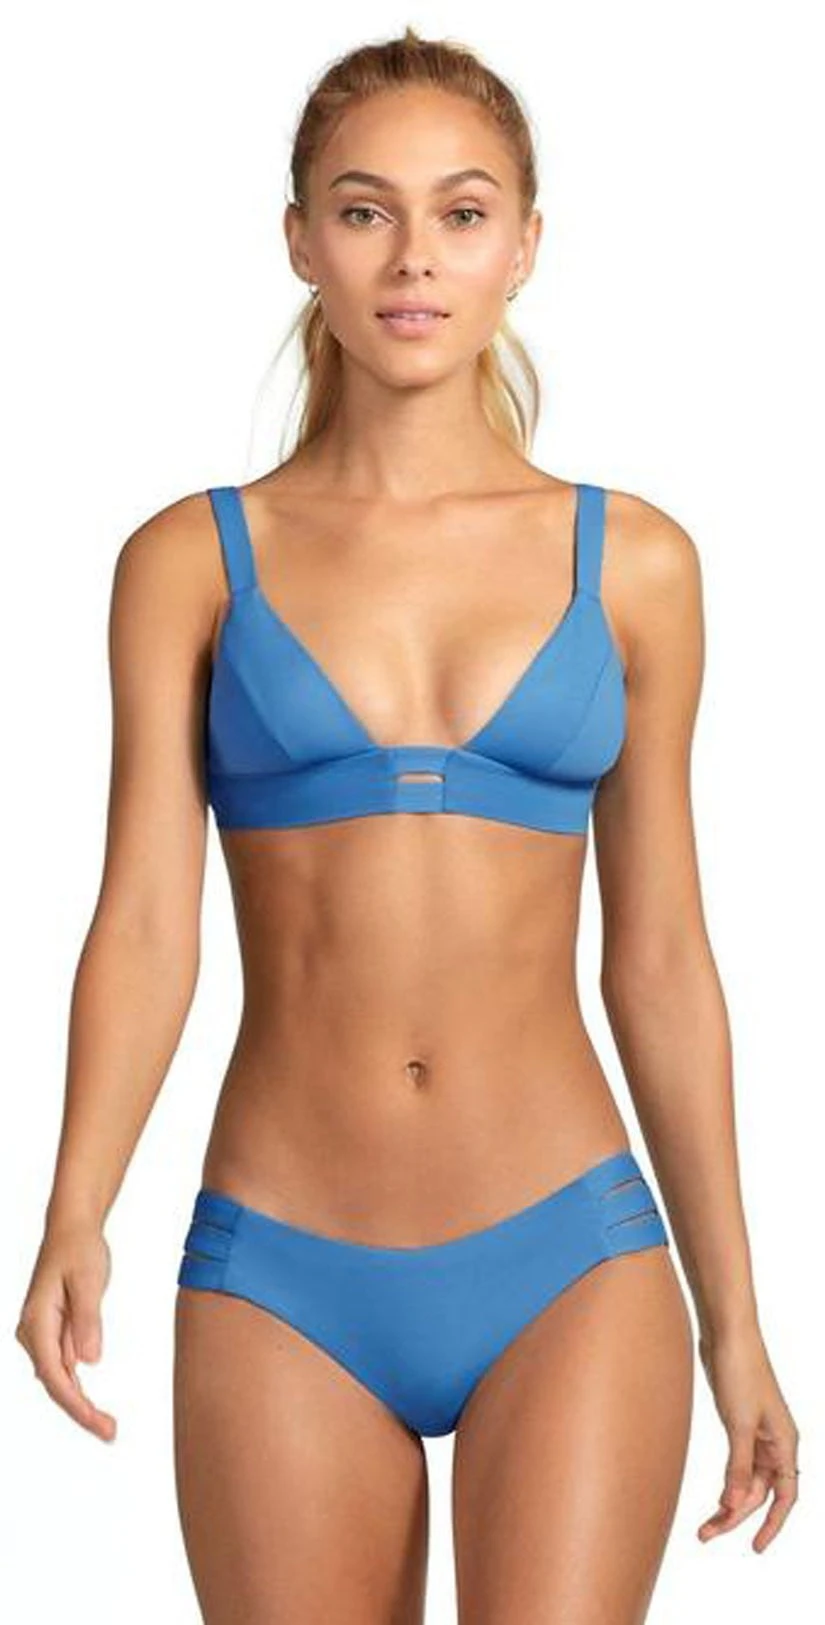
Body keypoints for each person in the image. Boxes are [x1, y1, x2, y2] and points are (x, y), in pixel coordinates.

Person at [15, 26, 799, 1624]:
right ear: (301, 240)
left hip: (572, 1253)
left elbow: (660, 959)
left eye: (462, 211)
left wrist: (740, 1323)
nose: (414, 257)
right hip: (281, 1262)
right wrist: (73, 1206)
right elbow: (147, 920)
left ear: (526, 244)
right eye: (366, 211)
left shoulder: (635, 564)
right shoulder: (189, 562)